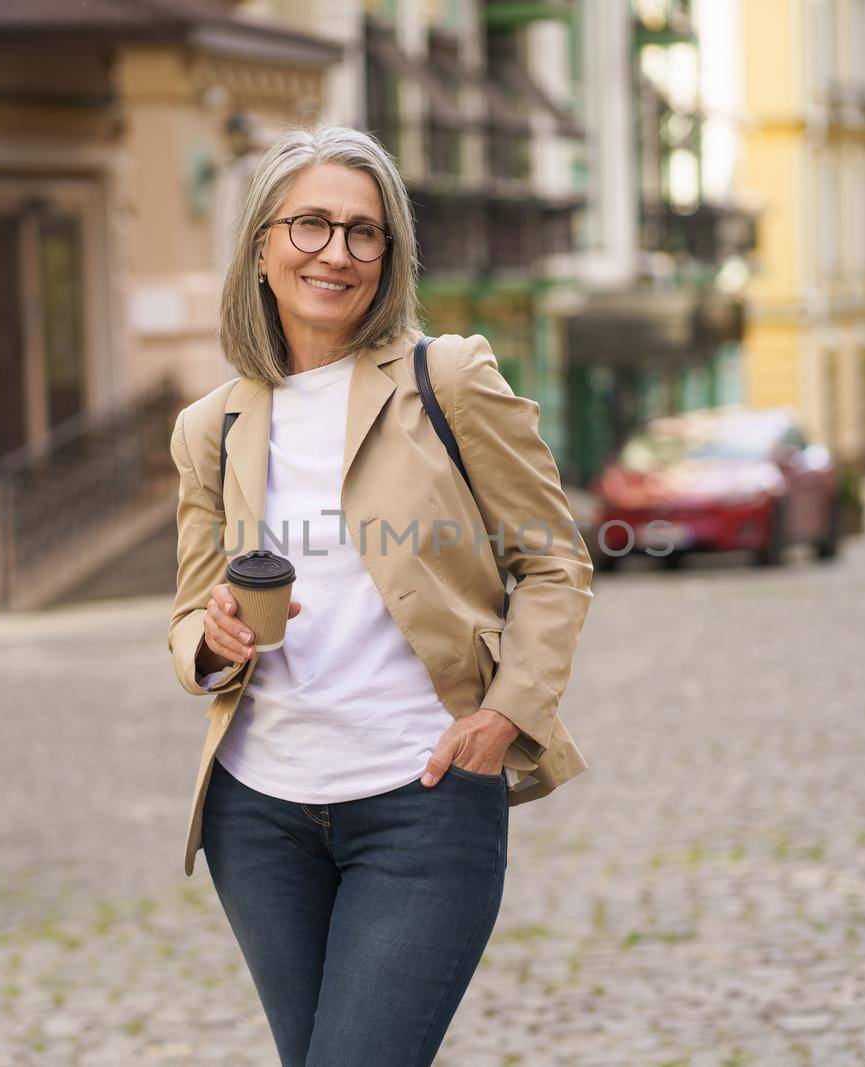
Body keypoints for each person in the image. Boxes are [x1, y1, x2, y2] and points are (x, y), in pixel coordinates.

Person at [165, 123, 593, 1066]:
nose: (337, 252)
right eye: (311, 225)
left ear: (389, 254)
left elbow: (555, 560)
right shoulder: (212, 427)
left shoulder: (449, 378)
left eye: (365, 232)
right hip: (260, 814)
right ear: (262, 245)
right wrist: (213, 634)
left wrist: (507, 712)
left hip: (423, 801)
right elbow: (188, 615)